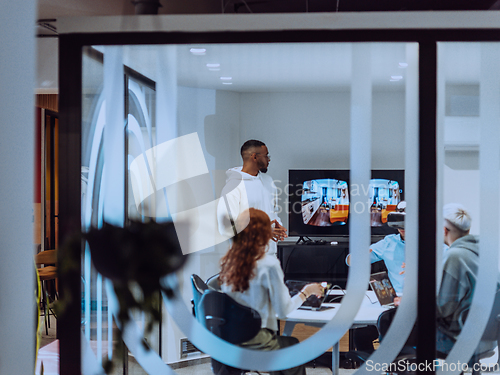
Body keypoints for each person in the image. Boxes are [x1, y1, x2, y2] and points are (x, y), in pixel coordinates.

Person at [219, 208, 323, 375]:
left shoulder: (229, 263)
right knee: (292, 345)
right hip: (257, 342)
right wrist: (306, 292)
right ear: (264, 233)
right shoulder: (268, 264)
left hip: (228, 341)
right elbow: (283, 311)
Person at [217, 139, 287, 255]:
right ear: (254, 157)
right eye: (266, 156)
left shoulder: (268, 181)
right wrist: (265, 231)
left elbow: (273, 212)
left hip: (270, 255)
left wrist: (277, 227)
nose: (268, 159)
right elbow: (226, 228)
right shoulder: (232, 188)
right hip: (245, 258)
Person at [436, 203, 480, 354]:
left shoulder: (455, 256)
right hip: (484, 336)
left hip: (454, 338)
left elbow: (442, 309)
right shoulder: (480, 251)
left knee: (391, 324)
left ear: (444, 230)